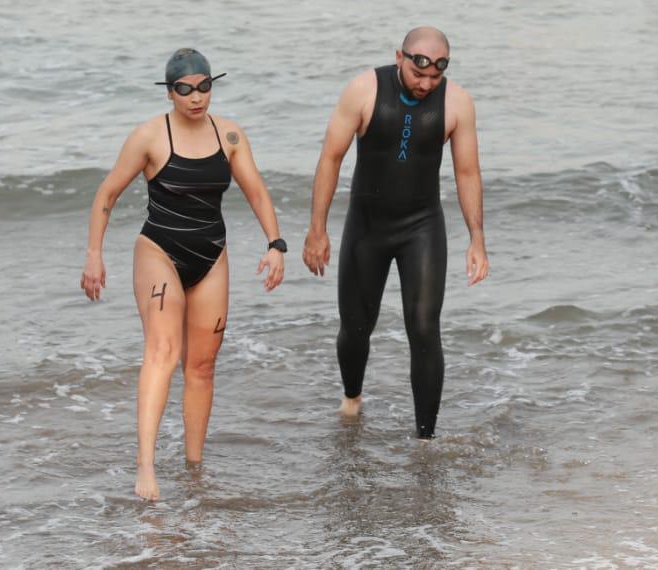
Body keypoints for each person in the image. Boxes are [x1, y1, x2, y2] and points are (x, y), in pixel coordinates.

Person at [82, 49, 287, 501]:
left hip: (211, 255)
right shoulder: (149, 136)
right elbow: (107, 193)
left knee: (202, 365)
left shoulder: (230, 135)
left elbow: (256, 189)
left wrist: (275, 244)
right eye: (185, 89)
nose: (196, 97)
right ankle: (146, 466)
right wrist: (94, 254)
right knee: (163, 349)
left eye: (204, 86)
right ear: (170, 91)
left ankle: (194, 467)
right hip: (159, 250)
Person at [303, 27, 488, 440]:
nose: (425, 85)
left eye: (434, 77)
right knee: (355, 328)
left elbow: (467, 171)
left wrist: (477, 238)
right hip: (367, 226)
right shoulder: (363, 90)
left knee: (424, 328)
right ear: (400, 57)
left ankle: (425, 439)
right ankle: (352, 398)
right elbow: (331, 158)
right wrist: (317, 229)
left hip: (421, 226)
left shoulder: (457, 102)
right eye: (418, 73)